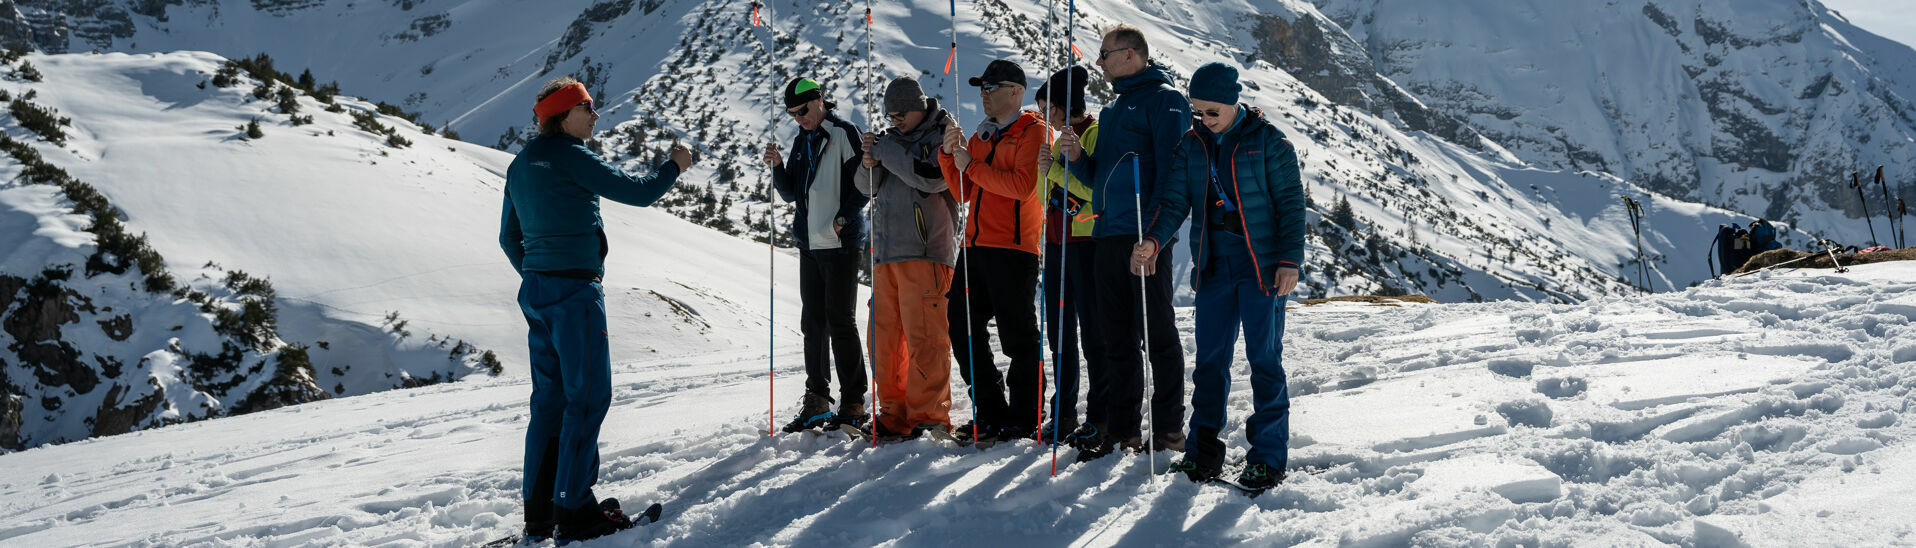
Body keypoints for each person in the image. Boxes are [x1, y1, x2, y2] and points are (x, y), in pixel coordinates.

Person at [499, 76, 693, 543]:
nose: (596, 114)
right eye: (587, 107)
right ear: (564, 115)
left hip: (538, 293)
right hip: (575, 295)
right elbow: (639, 191)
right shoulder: (570, 154)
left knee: (549, 402)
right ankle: (576, 510)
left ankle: (539, 513)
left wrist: (538, 276)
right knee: (587, 400)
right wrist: (674, 165)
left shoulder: (522, 162)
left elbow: (509, 237)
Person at [1135, 62, 1304, 490]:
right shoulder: (1191, 146)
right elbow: (1173, 201)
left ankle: (1267, 457)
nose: (1204, 121)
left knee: (1264, 361)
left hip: (1260, 266)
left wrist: (1289, 261)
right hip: (1214, 265)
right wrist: (1154, 240)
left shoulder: (1269, 142)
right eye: (1197, 113)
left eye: (1212, 112)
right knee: (1209, 363)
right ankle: (1202, 454)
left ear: (1233, 103)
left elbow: (1290, 206)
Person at [1057, 24, 1190, 461]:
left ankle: (1169, 429)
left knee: (1156, 335)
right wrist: (1078, 160)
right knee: (1115, 338)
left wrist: (1154, 237)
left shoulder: (1166, 102)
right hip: (1107, 234)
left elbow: (1174, 176)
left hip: (1144, 236)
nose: (1099, 62)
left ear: (1130, 55)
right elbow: (1100, 179)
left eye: (1105, 54)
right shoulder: (1114, 110)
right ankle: (1124, 430)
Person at [938, 59, 1047, 444]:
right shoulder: (982, 135)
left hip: (1015, 249)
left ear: (1015, 91)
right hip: (975, 245)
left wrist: (968, 164)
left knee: (1017, 335)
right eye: (981, 88)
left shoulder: (1034, 131)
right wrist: (949, 156)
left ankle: (1026, 414)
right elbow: (963, 192)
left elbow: (1022, 187)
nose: (983, 95)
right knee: (961, 326)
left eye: (991, 87)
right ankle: (990, 410)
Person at [854, 77, 962, 440]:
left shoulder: (942, 136)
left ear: (919, 107)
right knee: (885, 339)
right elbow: (863, 188)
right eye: (889, 114)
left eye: (900, 113)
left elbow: (933, 178)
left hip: (926, 251)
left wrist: (885, 152)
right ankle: (893, 412)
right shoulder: (891, 141)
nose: (895, 119)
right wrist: (868, 161)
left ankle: (929, 414)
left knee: (926, 337)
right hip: (885, 255)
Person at [764, 76, 871, 432]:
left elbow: (864, 183)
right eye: (793, 114)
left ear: (819, 100)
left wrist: (842, 220)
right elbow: (792, 193)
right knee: (812, 324)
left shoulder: (844, 133)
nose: (799, 118)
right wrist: (778, 167)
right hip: (810, 243)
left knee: (840, 321)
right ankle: (817, 399)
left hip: (840, 242)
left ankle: (853, 402)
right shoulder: (801, 139)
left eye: (803, 110)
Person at [1033, 65, 1104, 442]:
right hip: (1057, 244)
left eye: (1046, 107)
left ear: (1062, 107)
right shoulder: (1058, 139)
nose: (1043, 115)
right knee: (1061, 335)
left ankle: (1099, 413)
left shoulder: (1093, 135)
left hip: (1087, 243)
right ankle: (1064, 412)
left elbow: (1096, 192)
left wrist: (1055, 174)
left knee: (1093, 332)